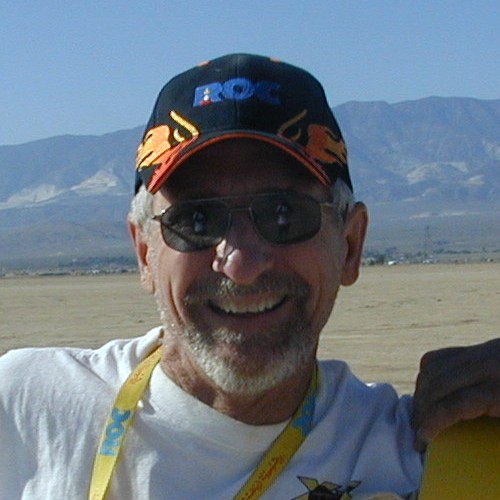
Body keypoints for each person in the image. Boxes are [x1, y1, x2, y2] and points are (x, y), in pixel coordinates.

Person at [0, 53, 499, 500]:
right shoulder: (27, 406)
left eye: (284, 215)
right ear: (144, 252)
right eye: (197, 221)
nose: (240, 263)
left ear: (350, 245)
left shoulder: (427, 448)